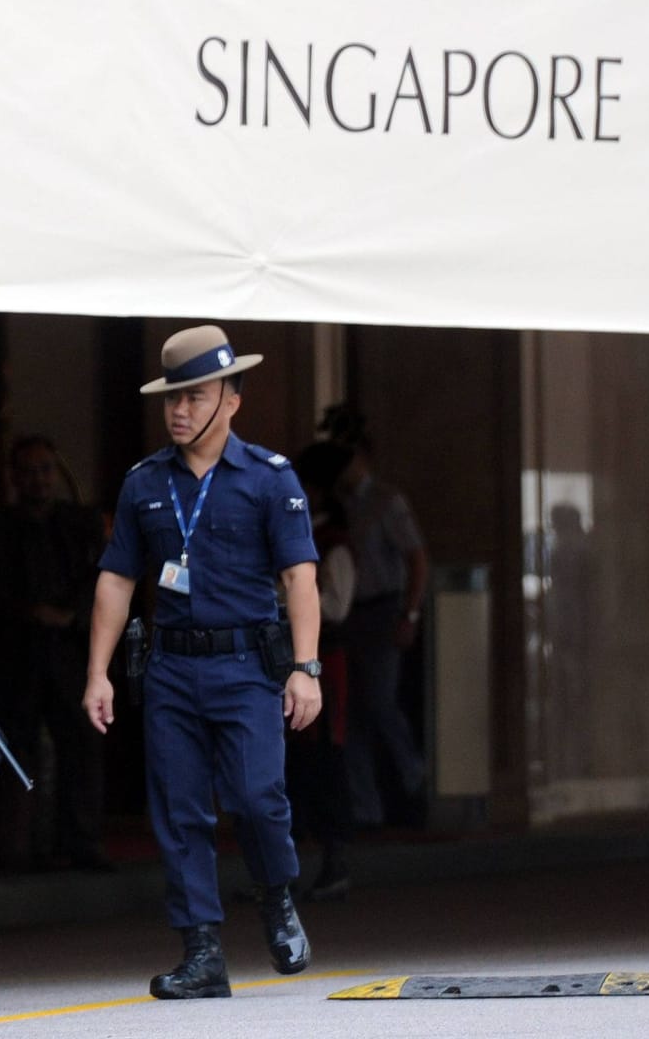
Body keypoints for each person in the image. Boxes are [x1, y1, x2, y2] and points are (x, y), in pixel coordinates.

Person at [84, 325, 323, 1000]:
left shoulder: (270, 480)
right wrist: (98, 671)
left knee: (255, 798)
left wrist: (306, 669)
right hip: (171, 670)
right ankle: (202, 951)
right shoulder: (143, 483)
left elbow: (301, 578)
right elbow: (116, 581)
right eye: (172, 399)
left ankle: (275, 896)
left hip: (248, 664)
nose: (180, 410)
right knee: (179, 811)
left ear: (232, 400)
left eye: (196, 396)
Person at [0, 435, 109, 872]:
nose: (38, 480)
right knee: (16, 747)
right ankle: (15, 847)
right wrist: (34, 613)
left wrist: (71, 616)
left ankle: (81, 841)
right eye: (29, 471)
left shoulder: (81, 523)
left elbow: (99, 579)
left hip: (70, 649)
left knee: (81, 743)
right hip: (17, 651)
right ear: (16, 477)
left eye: (45, 470)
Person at [324, 406, 429, 827]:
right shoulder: (339, 506)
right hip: (350, 615)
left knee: (381, 702)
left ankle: (414, 775)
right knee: (350, 714)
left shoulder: (387, 500)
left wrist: (411, 612)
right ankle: (366, 806)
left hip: (384, 609)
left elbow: (416, 557)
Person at [288, 442, 356, 901]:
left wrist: (288, 600)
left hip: (323, 662)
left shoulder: (333, 543)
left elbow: (337, 604)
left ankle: (335, 863)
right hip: (288, 660)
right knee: (292, 767)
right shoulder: (293, 535)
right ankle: (287, 874)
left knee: (326, 761)